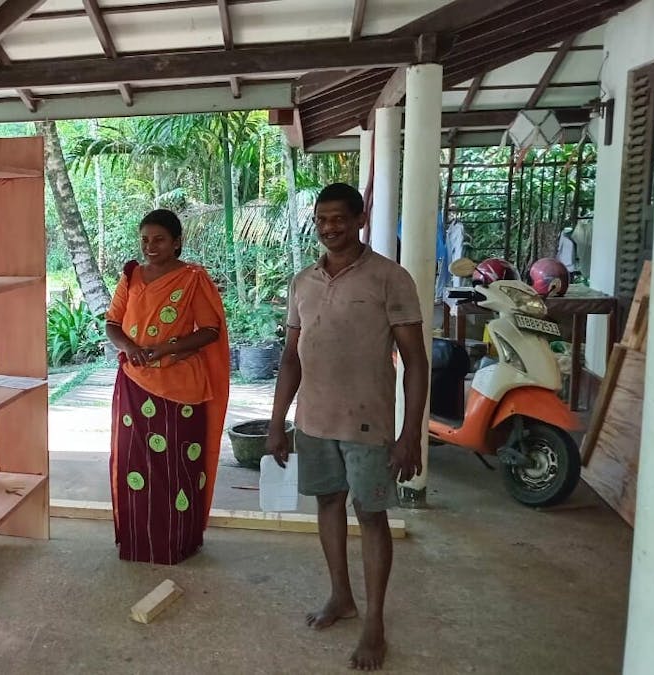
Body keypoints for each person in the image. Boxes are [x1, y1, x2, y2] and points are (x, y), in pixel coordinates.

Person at [268, 183, 428, 671]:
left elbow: (416, 362)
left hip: (368, 424)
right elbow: (291, 358)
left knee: (371, 515)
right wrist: (278, 423)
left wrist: (409, 435)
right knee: (328, 503)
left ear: (360, 219)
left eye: (339, 218)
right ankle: (341, 595)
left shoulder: (390, 278)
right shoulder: (303, 282)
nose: (329, 227)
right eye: (321, 219)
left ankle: (374, 622)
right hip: (314, 420)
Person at [104, 209, 230, 565]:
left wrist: (167, 348)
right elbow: (113, 323)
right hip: (134, 380)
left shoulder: (192, 278)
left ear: (176, 243)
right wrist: (129, 347)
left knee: (177, 466)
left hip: (181, 386)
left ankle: (177, 544)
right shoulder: (131, 275)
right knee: (134, 463)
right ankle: (139, 543)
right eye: (145, 239)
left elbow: (210, 330)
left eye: (159, 239)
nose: (150, 246)